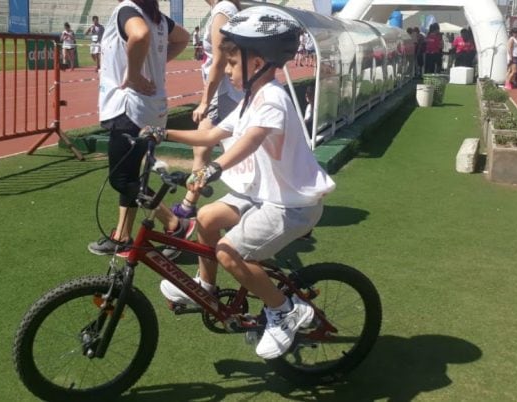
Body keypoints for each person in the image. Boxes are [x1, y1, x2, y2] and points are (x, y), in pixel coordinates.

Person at [141, 6, 336, 359]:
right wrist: (162, 132)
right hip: (261, 196)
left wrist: (211, 169)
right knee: (205, 218)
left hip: (290, 205)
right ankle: (205, 286)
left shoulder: (273, 100)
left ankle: (285, 311)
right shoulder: (250, 99)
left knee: (228, 252)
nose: (226, 70)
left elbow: (251, 141)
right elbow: (214, 133)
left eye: (232, 64)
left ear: (257, 62)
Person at [87, 0, 193, 258]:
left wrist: (134, 73)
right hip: (151, 109)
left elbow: (139, 34)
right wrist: (152, 64)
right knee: (131, 176)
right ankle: (122, 236)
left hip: (129, 109)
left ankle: (174, 224)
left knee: (121, 179)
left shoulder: (128, 11)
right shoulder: (156, 17)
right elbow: (183, 38)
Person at [170, 0, 243, 219]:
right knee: (202, 149)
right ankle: (187, 205)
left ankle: (284, 203)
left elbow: (219, 62)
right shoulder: (224, 10)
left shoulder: (223, 11)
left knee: (239, 151)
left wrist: (204, 101)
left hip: (224, 95)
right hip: (225, 94)